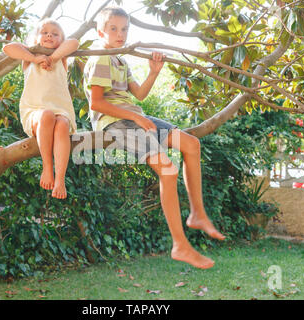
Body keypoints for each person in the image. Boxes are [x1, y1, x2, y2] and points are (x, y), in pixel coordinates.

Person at [83, 7, 225, 269]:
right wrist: (136, 118)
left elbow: (139, 95)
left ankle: (197, 213)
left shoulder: (120, 60)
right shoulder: (101, 58)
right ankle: (180, 245)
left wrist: (154, 71)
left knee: (191, 144)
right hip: (116, 122)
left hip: (134, 116)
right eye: (113, 28)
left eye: (124, 29)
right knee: (168, 171)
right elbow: (97, 103)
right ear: (100, 31)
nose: (120, 34)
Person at [3, 19, 79, 199]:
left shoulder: (61, 58)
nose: (49, 35)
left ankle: (60, 179)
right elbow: (8, 48)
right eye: (44, 32)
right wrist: (35, 57)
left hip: (61, 111)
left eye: (55, 33)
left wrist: (52, 58)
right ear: (36, 38)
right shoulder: (29, 58)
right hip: (35, 111)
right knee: (46, 115)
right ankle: (47, 167)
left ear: (61, 40)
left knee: (61, 124)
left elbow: (74, 43)